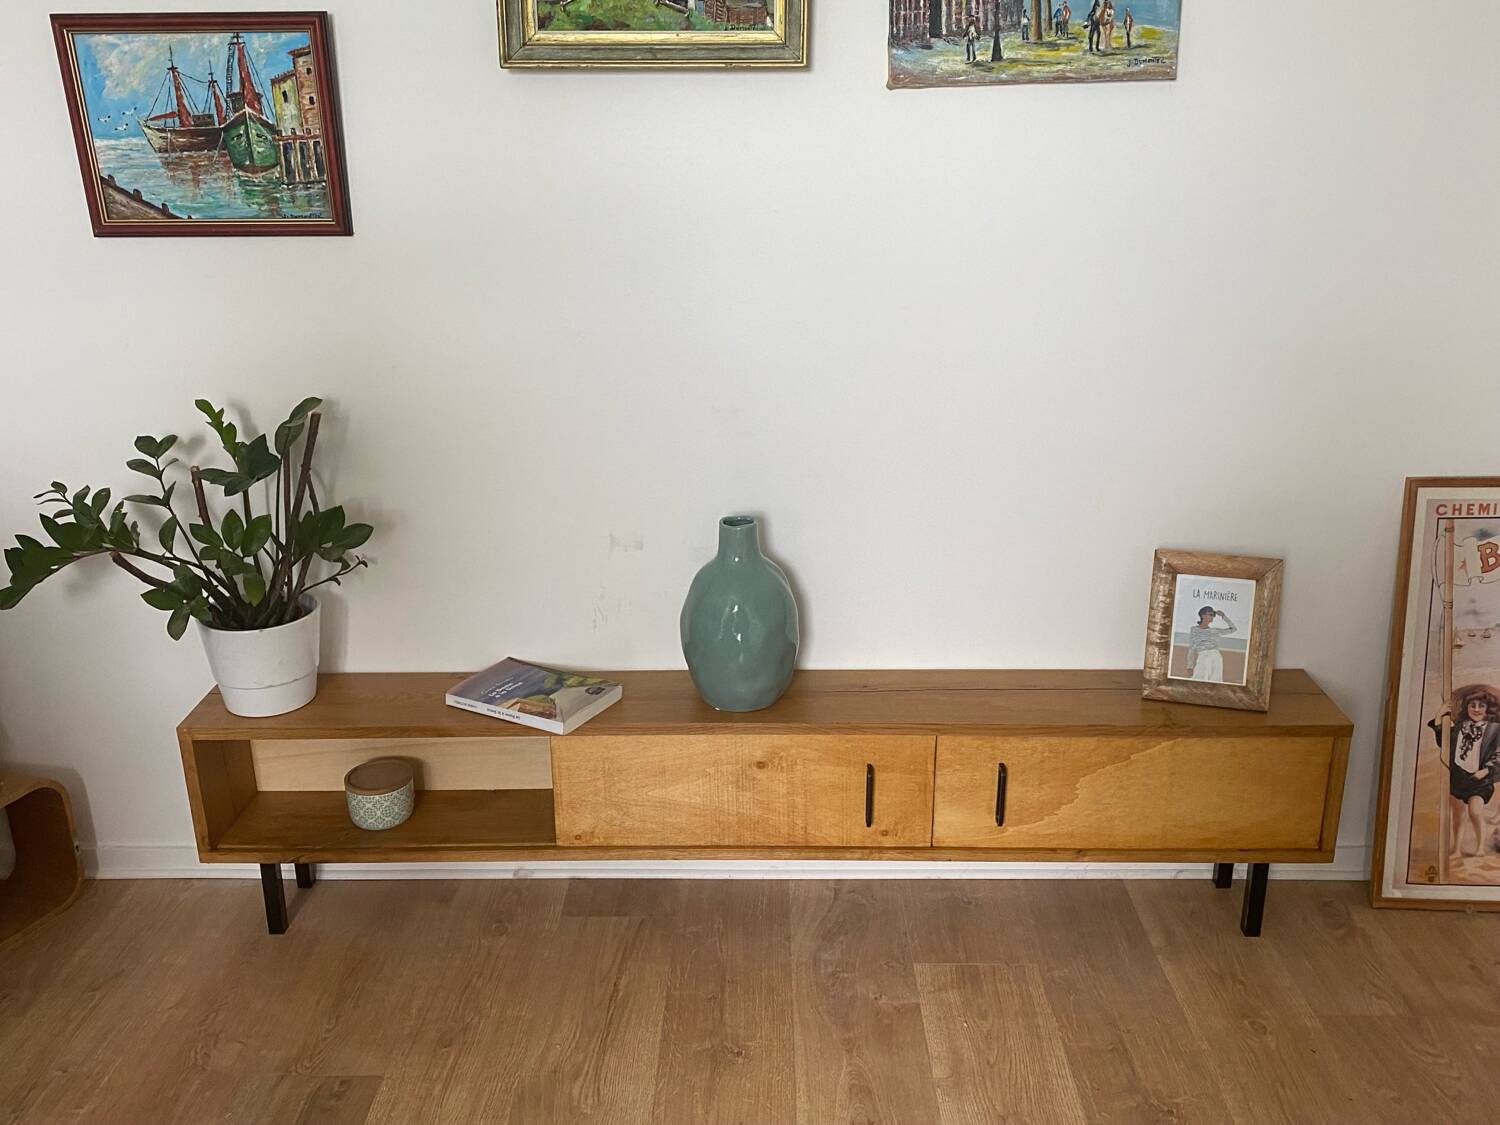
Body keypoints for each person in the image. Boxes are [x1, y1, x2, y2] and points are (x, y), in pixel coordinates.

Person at [1428, 688, 1500, 859]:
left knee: (1475, 811)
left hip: (1479, 777)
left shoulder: (1495, 729)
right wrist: (1439, 716)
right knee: (1458, 815)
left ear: (1487, 708)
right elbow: (1444, 743)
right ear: (1466, 708)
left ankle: (1480, 847)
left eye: (1481, 706)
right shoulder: (1460, 727)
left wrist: (1486, 770)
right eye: (1472, 705)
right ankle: (1457, 849)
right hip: (1458, 776)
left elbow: (1499, 754)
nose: (1476, 709)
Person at [1184, 606, 1236, 682]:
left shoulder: (1215, 631)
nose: (1212, 617)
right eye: (1210, 614)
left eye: (1213, 615)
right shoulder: (1194, 629)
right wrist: (1190, 666)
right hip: (1202, 656)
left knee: (1215, 682)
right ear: (1203, 615)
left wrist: (1223, 616)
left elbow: (1233, 629)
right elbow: (1191, 648)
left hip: (1216, 657)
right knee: (1197, 681)